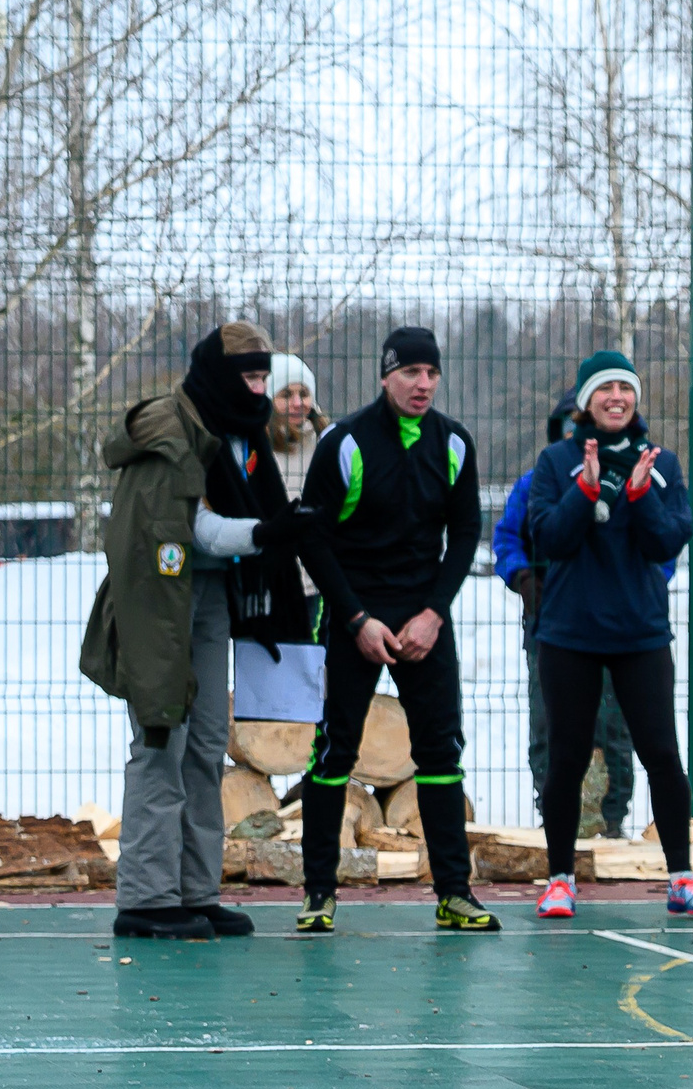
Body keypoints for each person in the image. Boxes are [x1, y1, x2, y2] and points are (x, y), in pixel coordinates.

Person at [79, 320, 312, 939]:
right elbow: (193, 532)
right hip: (159, 600)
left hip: (209, 594)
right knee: (163, 742)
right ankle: (148, 898)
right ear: (218, 374)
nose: (260, 388)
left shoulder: (240, 433)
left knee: (207, 744)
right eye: (250, 376)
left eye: (266, 375)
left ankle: (194, 890)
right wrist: (268, 532)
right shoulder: (170, 431)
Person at [294, 326, 500, 933]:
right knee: (335, 751)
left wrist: (435, 613)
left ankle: (454, 893)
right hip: (356, 614)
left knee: (440, 752)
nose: (424, 384)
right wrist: (355, 618)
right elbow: (312, 535)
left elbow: (465, 534)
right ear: (386, 376)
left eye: (431, 373)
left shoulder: (454, 442)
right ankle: (318, 894)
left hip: (423, 620)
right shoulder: (346, 442)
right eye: (411, 372)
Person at [520, 351, 693, 919]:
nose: (615, 398)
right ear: (586, 401)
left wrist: (639, 494)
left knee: (662, 753)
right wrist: (584, 492)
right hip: (568, 633)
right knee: (567, 757)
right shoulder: (556, 462)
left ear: (635, 399)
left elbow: (666, 542)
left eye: (624, 389)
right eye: (604, 389)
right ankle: (560, 878)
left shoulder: (661, 463)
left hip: (641, 633)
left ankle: (681, 877)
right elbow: (549, 540)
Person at [495, 388, 639, 838]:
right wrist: (524, 579)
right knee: (549, 720)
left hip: (617, 621)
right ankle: (554, 815)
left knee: (613, 721)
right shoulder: (535, 480)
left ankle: (612, 819)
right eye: (567, 428)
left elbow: (660, 543)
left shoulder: (632, 476)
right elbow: (506, 539)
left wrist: (640, 588)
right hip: (549, 620)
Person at [265, 354, 329, 505]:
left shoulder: (326, 441)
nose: (297, 403)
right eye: (286, 395)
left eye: (304, 394)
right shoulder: (256, 444)